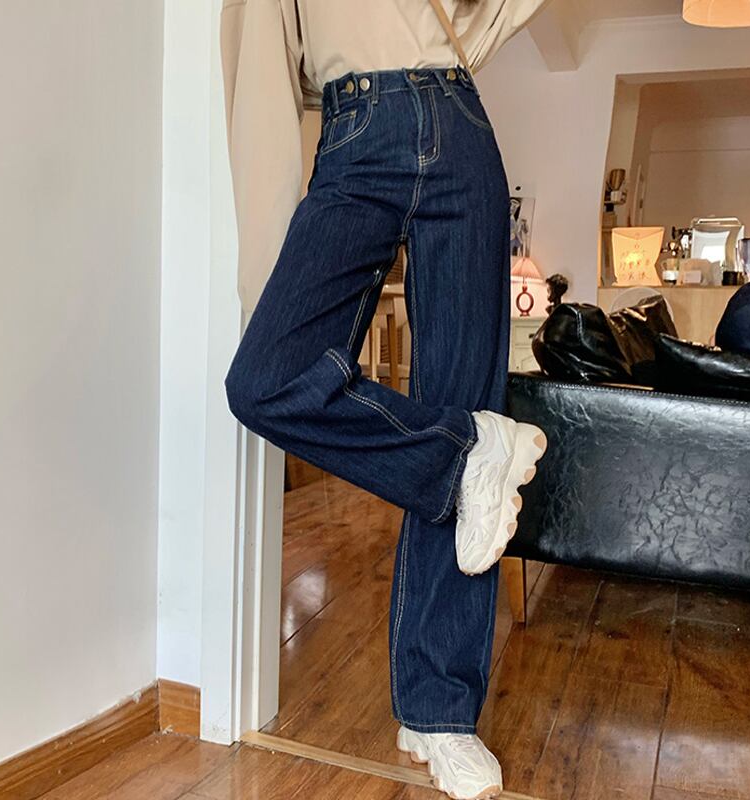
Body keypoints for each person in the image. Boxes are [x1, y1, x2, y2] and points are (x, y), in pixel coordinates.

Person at [220, 2, 549, 798]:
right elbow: (259, 91)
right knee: (265, 382)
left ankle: (440, 714)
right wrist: (267, 287)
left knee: (461, 391)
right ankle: (469, 452)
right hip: (355, 130)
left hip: (461, 123)